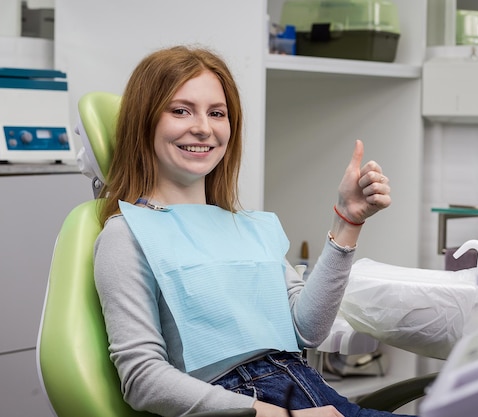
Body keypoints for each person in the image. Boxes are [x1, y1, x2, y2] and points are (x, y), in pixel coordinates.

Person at [93, 45, 412, 417]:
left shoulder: (247, 226)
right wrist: (280, 415)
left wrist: (348, 220)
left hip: (311, 392)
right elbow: (143, 379)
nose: (203, 127)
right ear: (144, 121)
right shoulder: (127, 234)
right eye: (180, 110)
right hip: (246, 407)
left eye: (217, 113)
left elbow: (306, 331)